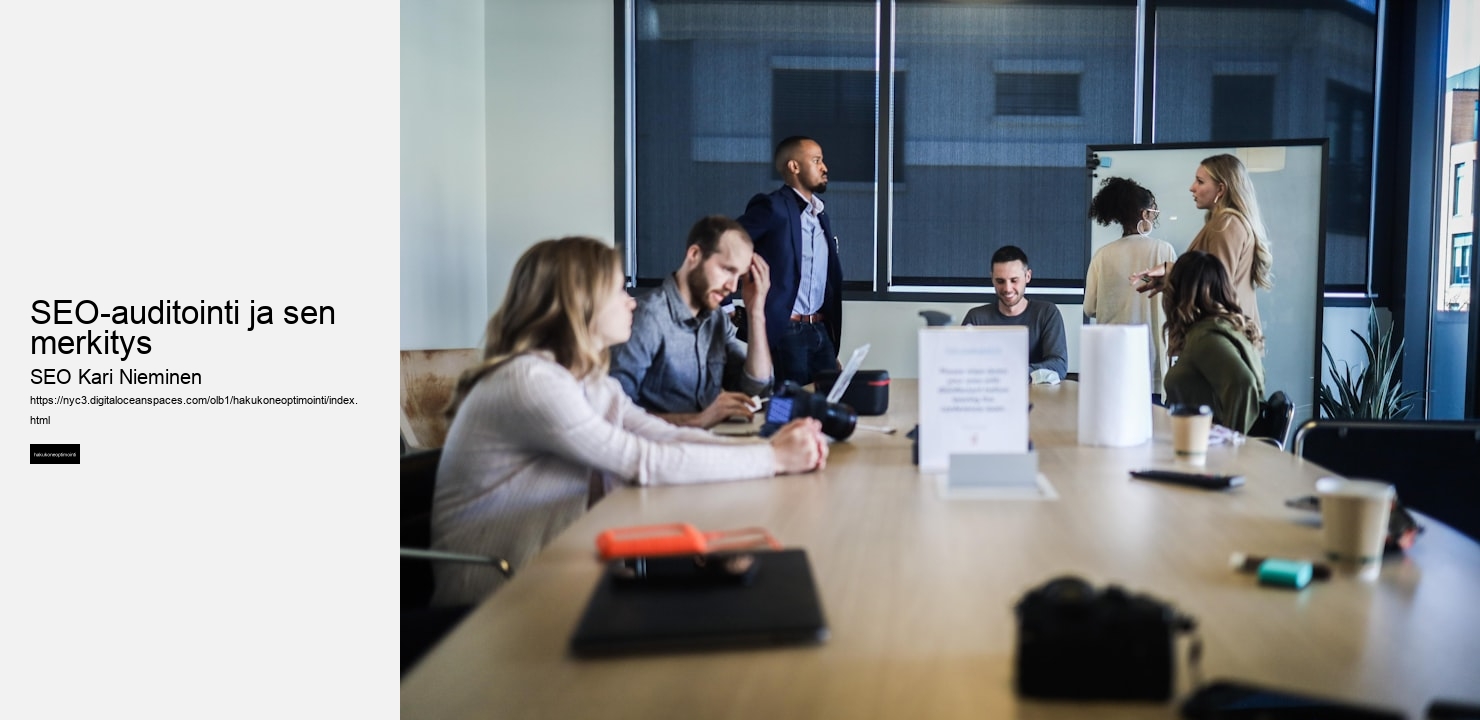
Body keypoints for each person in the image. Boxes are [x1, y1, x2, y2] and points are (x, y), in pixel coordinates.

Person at [430, 237, 828, 605]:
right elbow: (643, 460)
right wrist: (773, 459)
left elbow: (662, 436)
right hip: (494, 603)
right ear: (581, 301)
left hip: (552, 575)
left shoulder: (584, 381)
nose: (631, 302)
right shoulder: (530, 381)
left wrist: (768, 451)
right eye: (619, 290)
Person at [610, 216, 774, 428]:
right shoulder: (647, 318)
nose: (733, 288)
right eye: (727, 270)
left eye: (739, 277)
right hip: (659, 445)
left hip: (704, 441)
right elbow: (614, 413)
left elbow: (754, 389)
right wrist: (697, 421)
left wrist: (756, 311)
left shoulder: (716, 319)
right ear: (694, 255)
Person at [737, 135, 842, 387]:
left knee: (829, 400)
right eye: (816, 160)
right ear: (794, 166)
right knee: (788, 404)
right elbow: (724, 243)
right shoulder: (772, 207)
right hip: (787, 330)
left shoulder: (820, 216)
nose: (824, 167)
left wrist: (826, 336)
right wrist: (727, 306)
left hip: (820, 329)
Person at [1133, 153, 1273, 333]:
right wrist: (1169, 277)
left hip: (1222, 336)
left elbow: (1216, 286)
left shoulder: (1226, 224)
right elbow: (1210, 281)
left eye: (1200, 182)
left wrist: (1172, 272)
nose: (1192, 188)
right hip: (1225, 334)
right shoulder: (1225, 223)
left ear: (1220, 189)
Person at [1085, 177, 1178, 401]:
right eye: (1153, 211)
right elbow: (1177, 302)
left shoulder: (1102, 255)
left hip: (1113, 359)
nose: (1154, 216)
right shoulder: (1163, 251)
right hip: (1153, 361)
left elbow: (1089, 308)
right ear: (1144, 214)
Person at [1160, 250, 1266, 434]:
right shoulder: (1225, 329)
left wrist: (1230, 441)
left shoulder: (1205, 337)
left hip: (1203, 444)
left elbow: (1243, 383)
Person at [961, 245, 1068, 381]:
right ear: (992, 278)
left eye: (1014, 280)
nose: (1007, 288)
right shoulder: (976, 318)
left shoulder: (1047, 313)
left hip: (1037, 393)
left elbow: (1058, 366)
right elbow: (960, 365)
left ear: (1027, 276)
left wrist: (1010, 373)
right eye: (1000, 281)